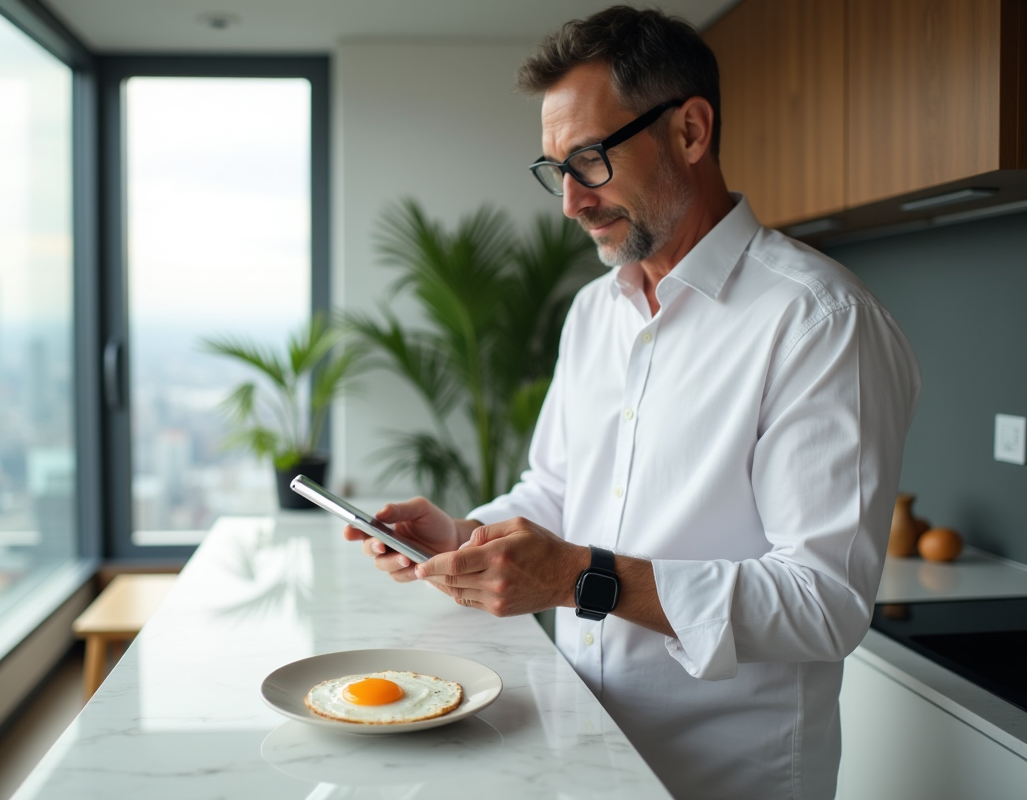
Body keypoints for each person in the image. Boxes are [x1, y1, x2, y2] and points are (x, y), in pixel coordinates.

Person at [344, 6, 920, 799]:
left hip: (727, 779)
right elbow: (557, 487)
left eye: (590, 160)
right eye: (557, 169)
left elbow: (822, 603)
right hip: (585, 751)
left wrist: (584, 579)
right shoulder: (595, 312)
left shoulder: (819, 322)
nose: (571, 203)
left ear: (689, 131)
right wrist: (462, 535)